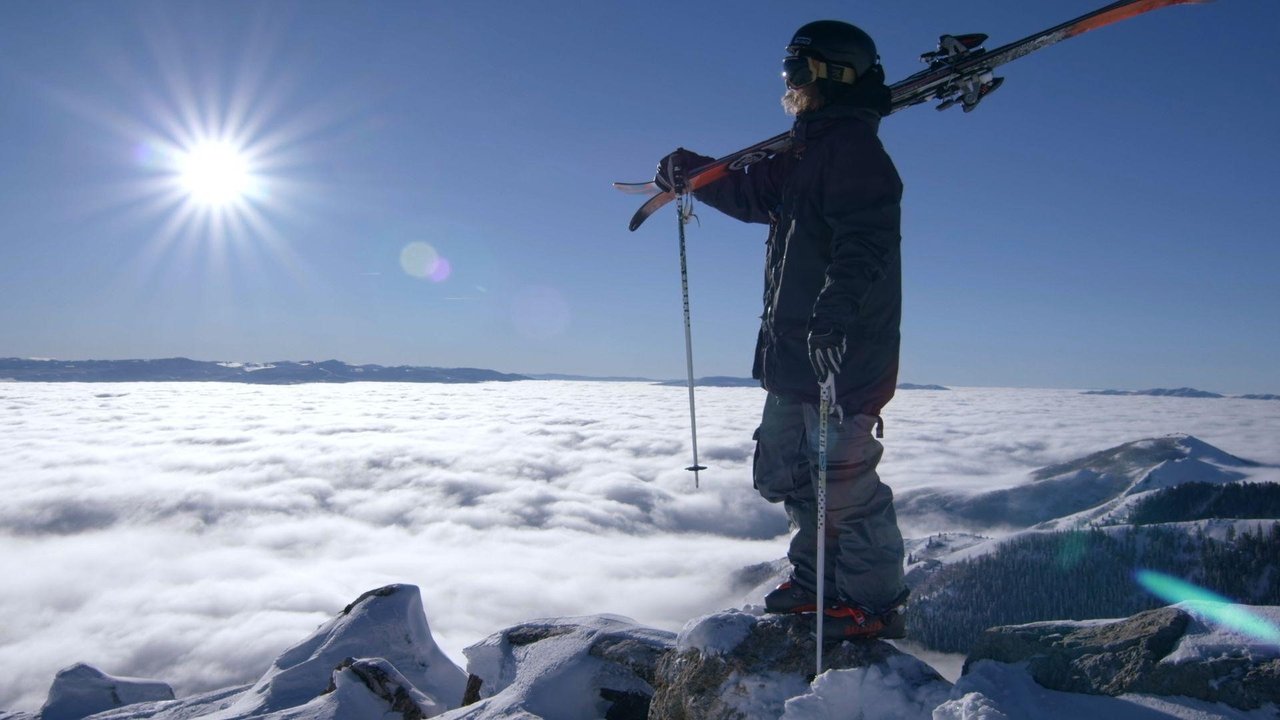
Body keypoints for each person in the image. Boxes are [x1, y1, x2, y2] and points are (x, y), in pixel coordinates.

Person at [654, 20, 909, 639]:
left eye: (797, 71)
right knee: (788, 474)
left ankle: (870, 604)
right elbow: (748, 195)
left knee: (844, 485)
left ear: (831, 74)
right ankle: (817, 580)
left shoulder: (854, 153)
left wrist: (835, 314)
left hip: (840, 356)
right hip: (794, 353)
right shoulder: (806, 154)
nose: (788, 84)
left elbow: (865, 242)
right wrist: (695, 171)